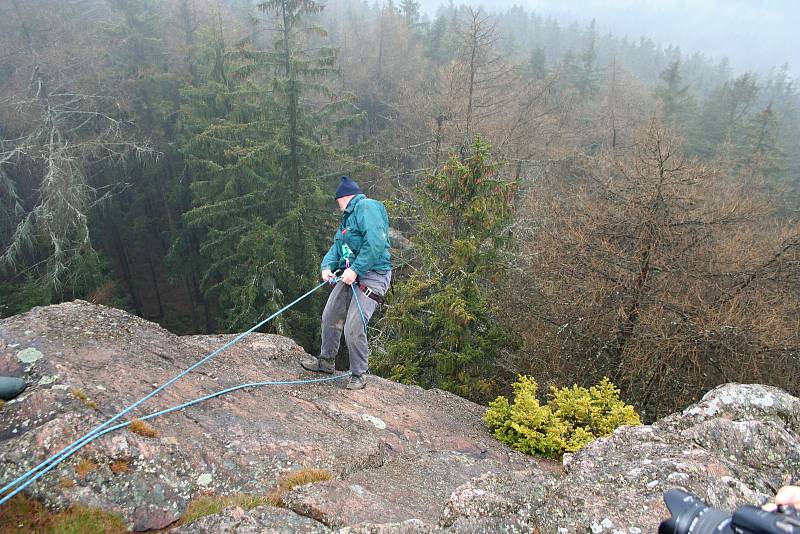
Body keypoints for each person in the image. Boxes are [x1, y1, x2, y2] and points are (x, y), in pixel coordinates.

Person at [300, 176, 392, 390]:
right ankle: (326, 362)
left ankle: (359, 374)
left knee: (354, 325)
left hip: (373, 275)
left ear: (343, 197)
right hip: (352, 273)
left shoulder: (366, 207)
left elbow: (376, 242)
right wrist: (326, 267)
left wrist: (355, 269)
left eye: (337, 201)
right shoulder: (348, 219)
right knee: (330, 314)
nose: (337, 205)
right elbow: (337, 247)